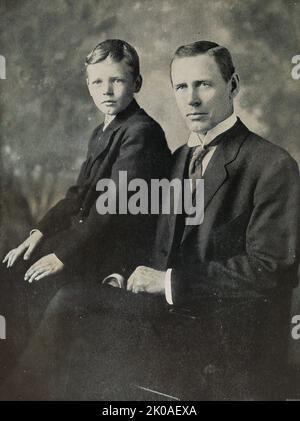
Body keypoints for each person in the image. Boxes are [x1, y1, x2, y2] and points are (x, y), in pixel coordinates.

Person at [2, 40, 299, 401]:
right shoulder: (176, 160)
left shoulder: (272, 165)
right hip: (169, 318)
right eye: (181, 87)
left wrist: (169, 281)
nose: (191, 100)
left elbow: (270, 269)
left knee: (71, 305)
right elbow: (153, 238)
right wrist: (125, 275)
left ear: (233, 86)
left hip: (222, 332)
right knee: (55, 298)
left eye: (203, 85)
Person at [0, 39, 171, 376]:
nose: (106, 90)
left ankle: (29, 380)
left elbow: (115, 204)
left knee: (32, 282)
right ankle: (14, 373)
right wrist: (40, 232)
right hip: (94, 240)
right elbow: (79, 194)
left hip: (120, 254)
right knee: (12, 267)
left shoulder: (141, 131)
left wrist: (62, 254)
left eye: (117, 81)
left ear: (136, 84)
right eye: (97, 81)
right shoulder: (103, 130)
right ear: (88, 84)